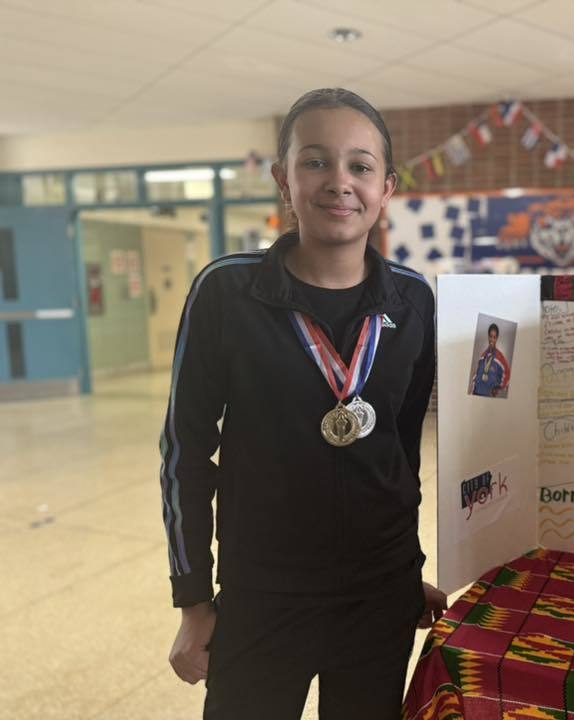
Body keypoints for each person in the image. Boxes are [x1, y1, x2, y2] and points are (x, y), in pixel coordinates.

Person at [161, 88, 447, 719]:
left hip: (377, 598)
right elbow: (184, 452)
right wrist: (193, 601)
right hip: (264, 593)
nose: (339, 182)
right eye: (315, 162)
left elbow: (400, 454)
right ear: (283, 182)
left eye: (360, 166)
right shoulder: (226, 293)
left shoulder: (413, 301)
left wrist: (407, 572)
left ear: (387, 187)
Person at [471, 323, 511, 397]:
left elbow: (508, 375)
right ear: (488, 337)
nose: (492, 339)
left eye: (494, 337)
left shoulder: (500, 357)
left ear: (497, 338)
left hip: (488, 397)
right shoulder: (482, 356)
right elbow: (476, 376)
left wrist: (497, 388)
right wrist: (472, 392)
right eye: (490, 336)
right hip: (476, 394)